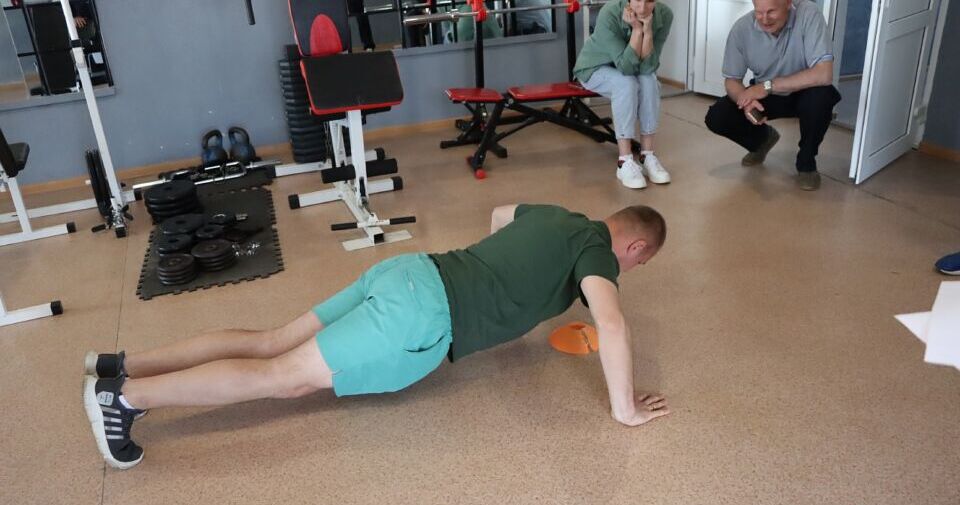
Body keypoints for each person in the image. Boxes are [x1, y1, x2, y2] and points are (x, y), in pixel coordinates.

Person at [83, 204, 671, 469]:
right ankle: (124, 398)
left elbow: (499, 214)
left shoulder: (556, 215)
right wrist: (624, 409)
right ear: (635, 246)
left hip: (410, 270)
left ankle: (118, 365)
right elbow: (610, 322)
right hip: (419, 313)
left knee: (271, 340)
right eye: (637, 264)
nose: (628, 271)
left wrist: (501, 282)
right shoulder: (599, 253)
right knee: (282, 378)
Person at [704, 0, 841, 191]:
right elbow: (732, 81)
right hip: (767, 96)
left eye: (771, 12)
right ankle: (762, 140)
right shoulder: (741, 29)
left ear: (788, 3)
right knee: (718, 116)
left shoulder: (809, 14)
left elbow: (823, 74)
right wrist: (745, 101)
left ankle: (807, 163)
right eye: (759, 12)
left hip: (805, 92)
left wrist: (768, 86)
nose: (764, 19)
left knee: (821, 97)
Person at [573, 0, 673, 190]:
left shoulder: (665, 15)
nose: (642, 8)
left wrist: (647, 31)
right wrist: (637, 29)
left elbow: (648, 67)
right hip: (594, 67)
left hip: (631, 69)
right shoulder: (609, 12)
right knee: (626, 83)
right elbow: (626, 68)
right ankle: (624, 161)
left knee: (649, 80)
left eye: (649, 1)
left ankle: (647, 155)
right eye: (637, 0)